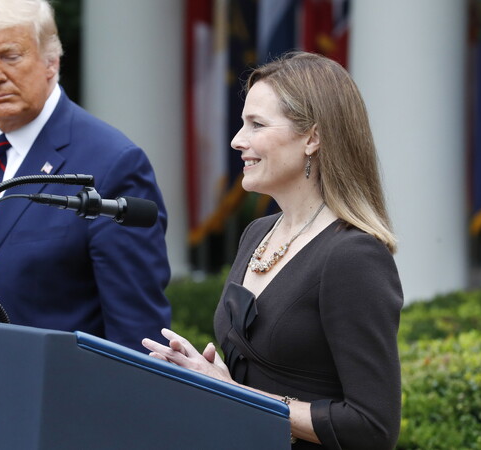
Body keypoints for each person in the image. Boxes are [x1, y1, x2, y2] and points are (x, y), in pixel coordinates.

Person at [143, 51, 403, 449]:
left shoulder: (353, 256)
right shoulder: (257, 233)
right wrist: (206, 375)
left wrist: (235, 393)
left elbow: (373, 428)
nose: (237, 140)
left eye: (257, 124)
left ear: (313, 138)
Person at [0, 0, 171, 353]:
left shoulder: (112, 163)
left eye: (10, 56)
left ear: (51, 60)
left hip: (48, 386)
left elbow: (137, 339)